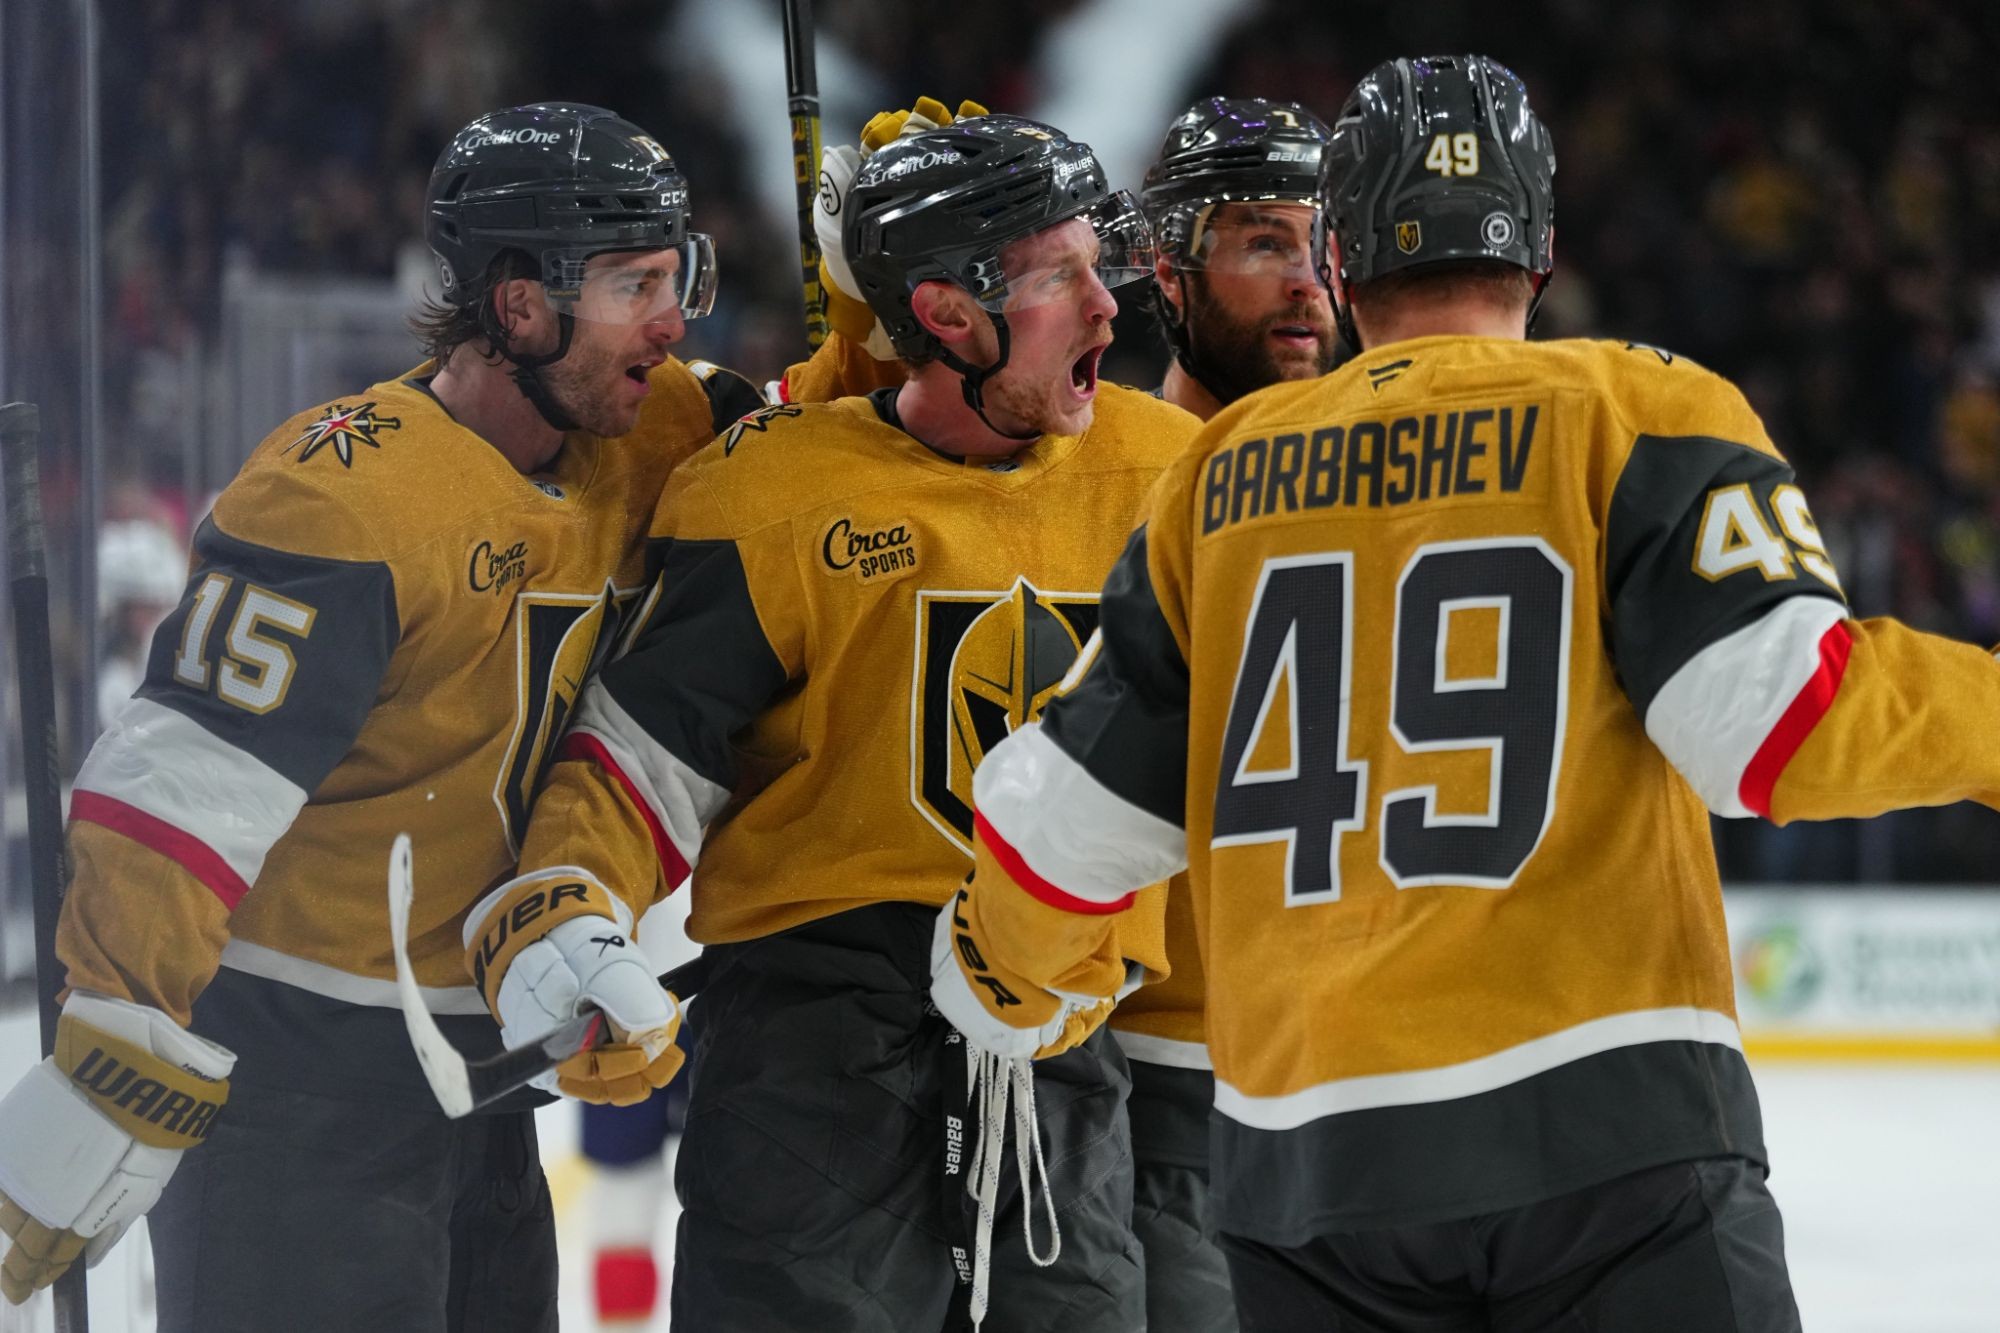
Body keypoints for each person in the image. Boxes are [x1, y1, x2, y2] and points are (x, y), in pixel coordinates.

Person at [933, 53, 2000, 1332]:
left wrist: (999, 975)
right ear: (1538, 249)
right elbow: (1784, 727)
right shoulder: (1637, 409)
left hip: (1306, 1166)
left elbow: (1063, 828)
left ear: (1338, 259)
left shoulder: (1216, 477)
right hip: (1606, 1120)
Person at [0, 102, 765, 1330]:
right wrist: (113, 1059)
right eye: (635, 285)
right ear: (519, 305)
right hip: (295, 1111)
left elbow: (811, 450)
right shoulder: (343, 499)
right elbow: (177, 792)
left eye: (680, 278)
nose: (674, 323)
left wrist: (866, 319)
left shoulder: (652, 425)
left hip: (479, 1092)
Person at [500, 112, 1200, 1330]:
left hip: (1059, 1050)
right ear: (944, 311)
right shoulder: (778, 486)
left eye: (1099, 266)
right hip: (813, 1056)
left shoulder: (1172, 472)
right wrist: (571, 895)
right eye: (1058, 277)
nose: (1105, 307)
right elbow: (645, 752)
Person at [1117, 94, 1338, 1333]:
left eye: (1320, 243)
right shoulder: (1108, 483)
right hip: (1167, 1090)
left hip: (1350, 1088)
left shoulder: (1377, 485)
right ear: (1167, 270)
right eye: (1262, 242)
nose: (1306, 282)